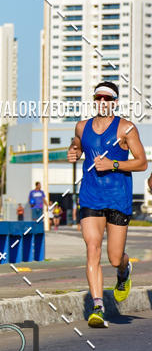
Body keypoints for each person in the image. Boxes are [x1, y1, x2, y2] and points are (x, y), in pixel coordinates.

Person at [68, 81, 148, 328]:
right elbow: (77, 147)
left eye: (107, 99)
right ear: (95, 100)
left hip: (117, 197)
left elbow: (142, 163)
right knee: (92, 247)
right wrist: (73, 152)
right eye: (98, 98)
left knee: (114, 258)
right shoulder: (82, 127)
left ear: (115, 102)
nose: (102, 102)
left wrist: (112, 164)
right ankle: (98, 306)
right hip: (91, 196)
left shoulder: (126, 128)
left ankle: (124, 272)